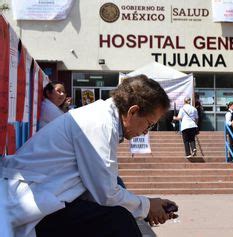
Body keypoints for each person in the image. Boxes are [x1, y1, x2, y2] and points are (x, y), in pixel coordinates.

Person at [0, 75, 177, 237]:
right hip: (30, 206)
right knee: (117, 221)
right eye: (149, 124)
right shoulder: (99, 125)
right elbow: (106, 195)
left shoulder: (103, 118)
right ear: (133, 111)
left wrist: (147, 207)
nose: (146, 131)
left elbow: (102, 188)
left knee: (118, 197)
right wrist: (147, 206)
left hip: (46, 198)